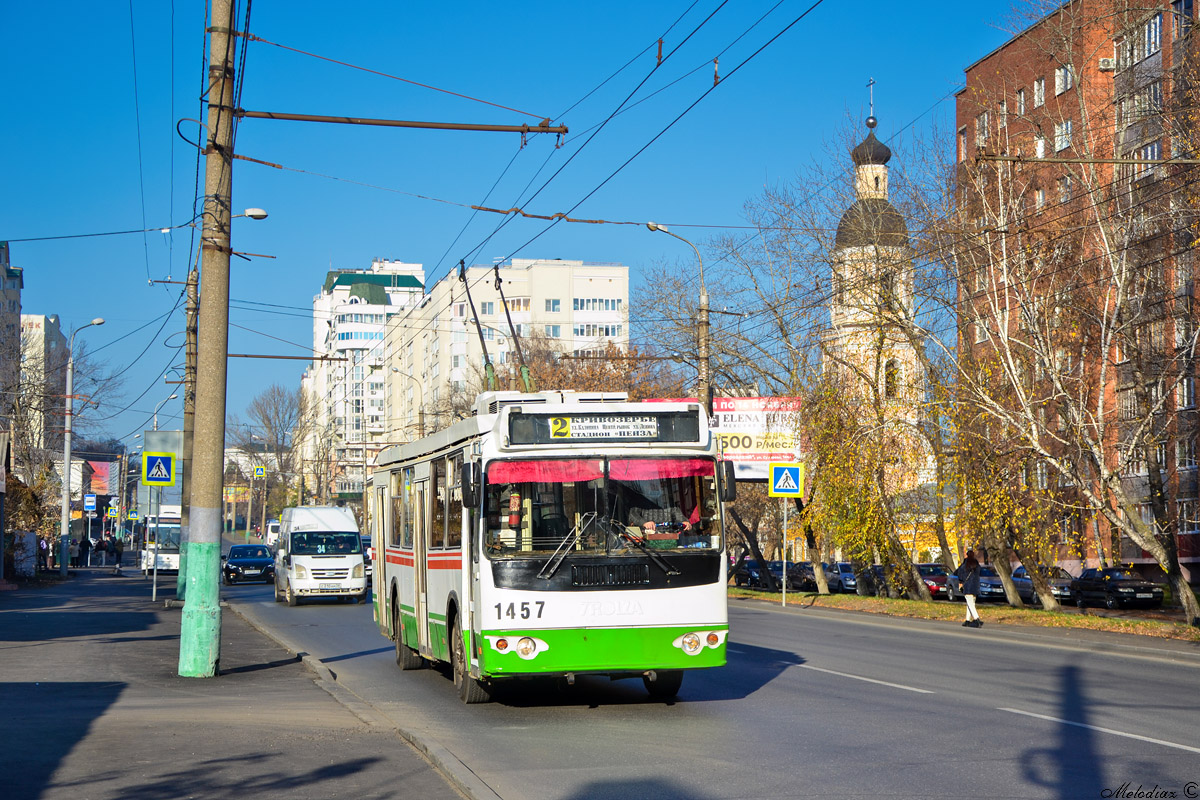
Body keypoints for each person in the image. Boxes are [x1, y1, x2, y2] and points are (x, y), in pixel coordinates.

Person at [956, 550, 983, 628]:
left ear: (967, 555)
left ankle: (976, 619)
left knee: (970, 603)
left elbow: (960, 575)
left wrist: (960, 582)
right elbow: (979, 573)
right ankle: (967, 620)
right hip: (975, 586)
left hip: (967, 586)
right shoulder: (977, 565)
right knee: (971, 603)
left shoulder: (965, 565)